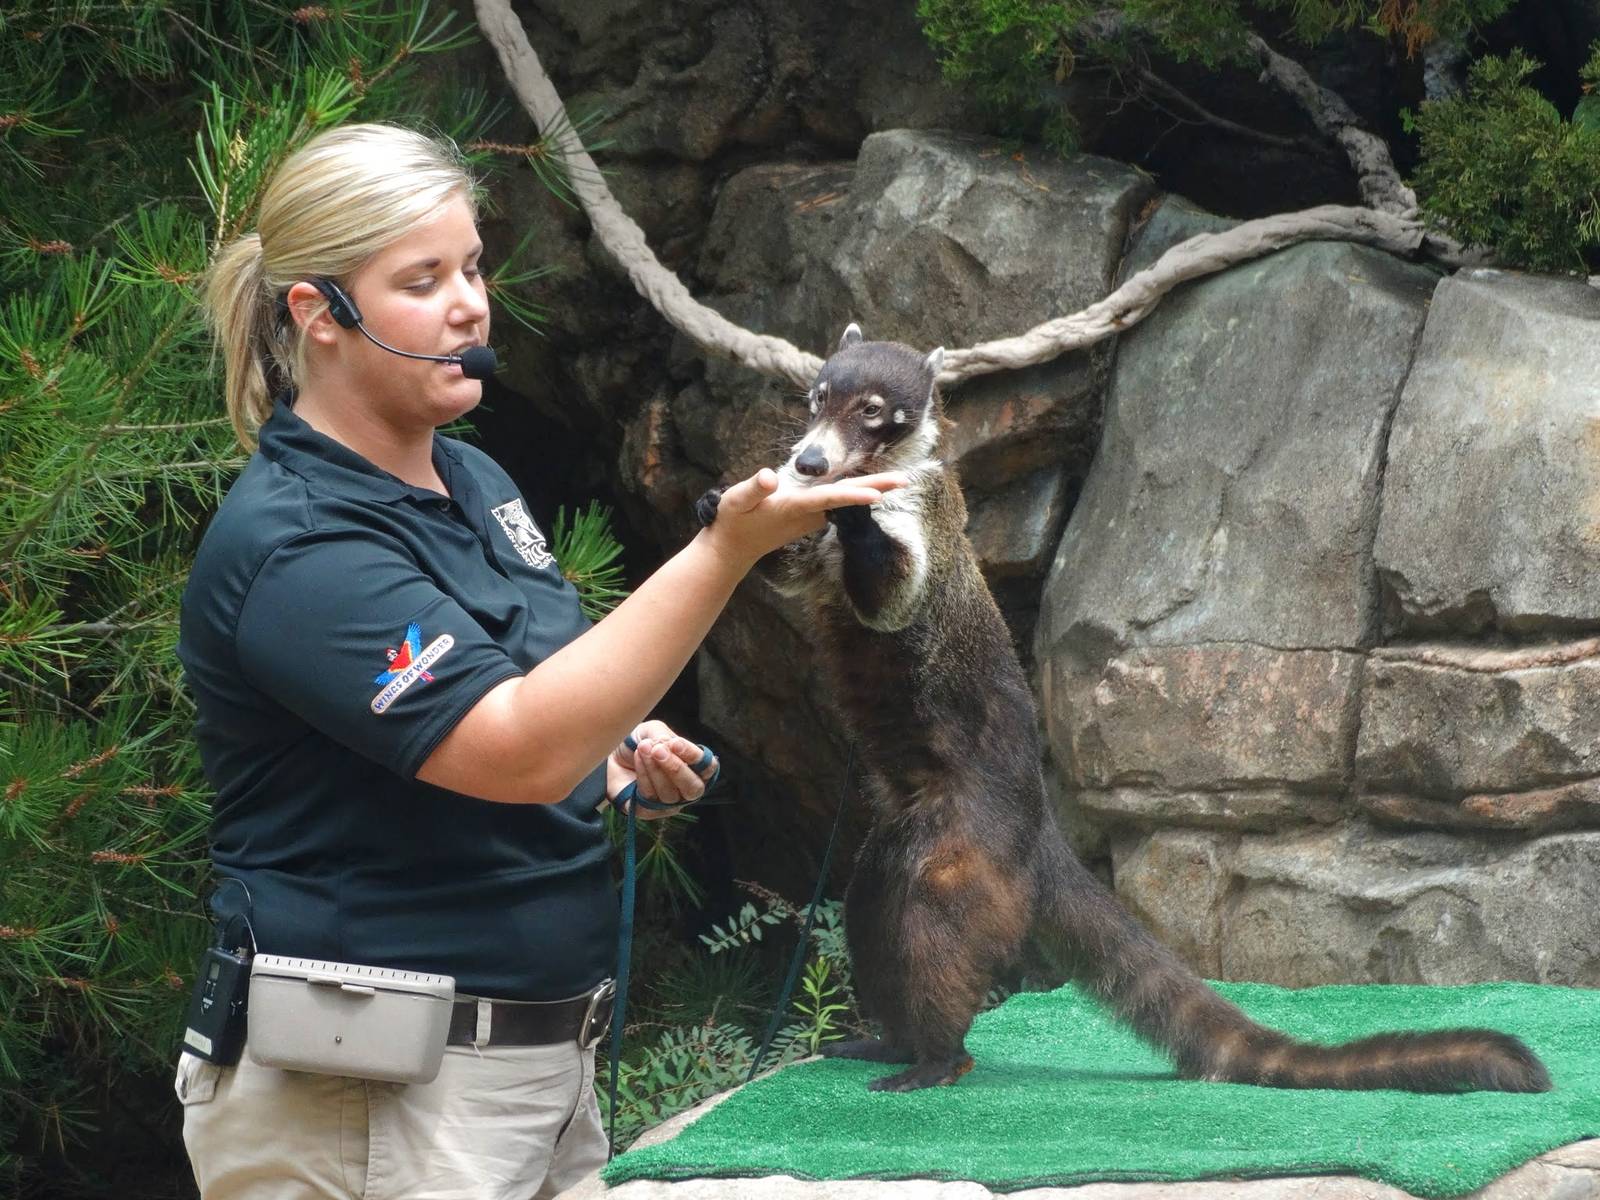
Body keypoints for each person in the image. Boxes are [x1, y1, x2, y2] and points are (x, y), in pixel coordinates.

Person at [173, 122, 903, 1200]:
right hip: (373, 1099)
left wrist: (619, 761)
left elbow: (539, 711)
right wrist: (726, 547)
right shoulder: (301, 546)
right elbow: (510, 751)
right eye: (421, 281)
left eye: (470, 267)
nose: (468, 304)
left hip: (533, 1069)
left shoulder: (475, 484)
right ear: (317, 313)